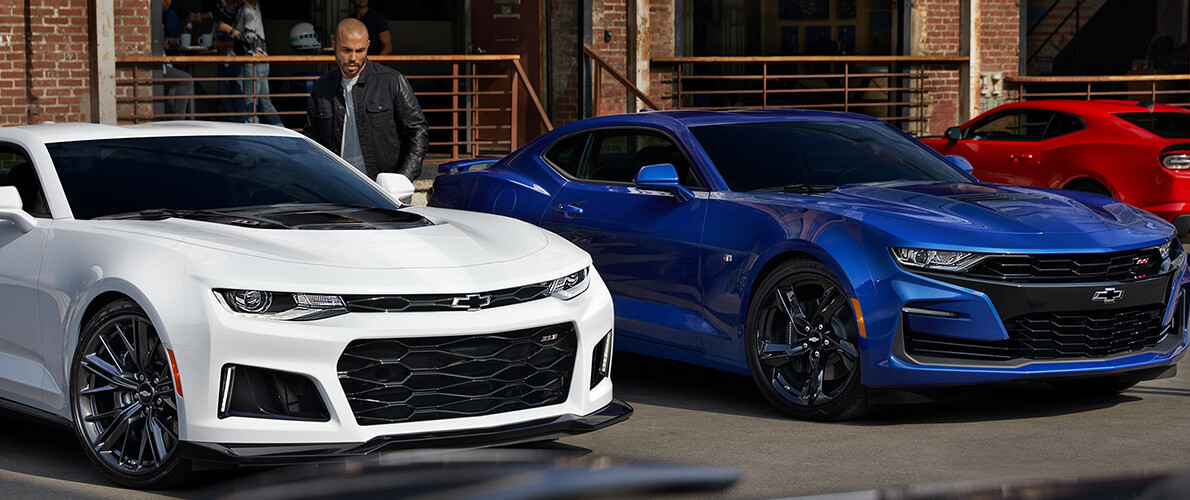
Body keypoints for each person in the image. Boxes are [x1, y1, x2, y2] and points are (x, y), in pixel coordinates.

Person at [303, 18, 428, 181]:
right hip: (337, 184)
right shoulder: (322, 87)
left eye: (360, 50)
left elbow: (417, 131)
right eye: (346, 50)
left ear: (368, 46)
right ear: (334, 45)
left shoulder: (392, 81)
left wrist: (403, 179)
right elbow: (311, 141)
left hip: (384, 187)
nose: (353, 57)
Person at [217, 0, 283, 125]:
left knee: (250, 106)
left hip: (253, 62)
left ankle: (252, 133)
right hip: (263, 60)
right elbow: (223, 12)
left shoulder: (247, 11)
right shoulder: (254, 8)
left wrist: (229, 29)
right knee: (265, 103)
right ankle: (281, 129)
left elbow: (249, 38)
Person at [159, 0, 194, 119]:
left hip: (166, 63)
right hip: (159, 67)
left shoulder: (170, 16)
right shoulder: (154, 18)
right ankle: (179, 121)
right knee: (187, 80)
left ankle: (173, 120)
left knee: (174, 88)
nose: (168, 2)